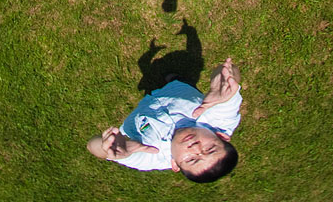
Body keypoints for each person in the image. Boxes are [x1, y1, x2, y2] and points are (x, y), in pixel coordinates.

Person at [87, 57, 242, 183]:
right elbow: (229, 74)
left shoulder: (154, 156)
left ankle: (168, 83)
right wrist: (223, 82)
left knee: (152, 92)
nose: (195, 148)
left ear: (174, 164)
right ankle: (176, 79)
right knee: (179, 83)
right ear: (221, 136)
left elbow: (92, 146)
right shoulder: (219, 123)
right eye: (209, 149)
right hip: (179, 90)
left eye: (192, 159)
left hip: (145, 108)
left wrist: (106, 147)